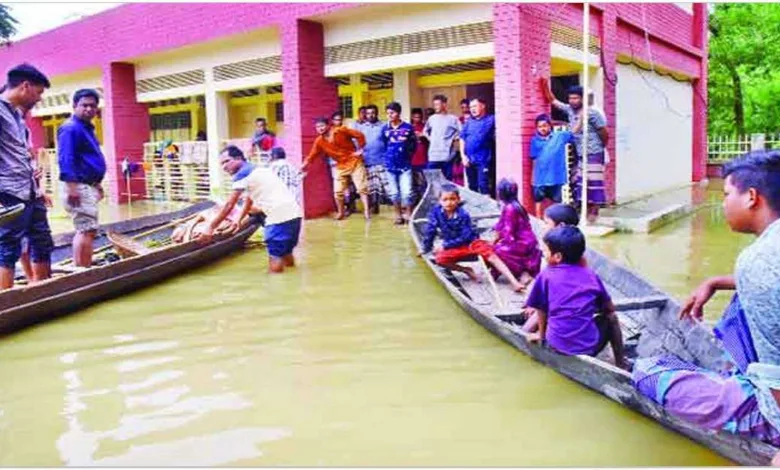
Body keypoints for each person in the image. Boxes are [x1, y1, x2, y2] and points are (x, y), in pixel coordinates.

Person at [632, 151, 780, 446]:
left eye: (726, 195)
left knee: (646, 371)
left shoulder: (758, 261)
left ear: (751, 197)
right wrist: (716, 281)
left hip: (771, 408)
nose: (722, 203)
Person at [523, 225, 626, 368]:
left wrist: (541, 337)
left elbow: (541, 310)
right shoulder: (591, 275)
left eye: (545, 250)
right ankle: (621, 363)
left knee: (544, 312)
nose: (542, 252)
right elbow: (609, 308)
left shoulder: (545, 276)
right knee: (612, 319)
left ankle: (529, 335)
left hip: (556, 346)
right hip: (589, 348)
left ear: (557, 256)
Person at [202, 145, 302, 273]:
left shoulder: (242, 174)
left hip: (277, 218)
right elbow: (250, 198)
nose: (224, 167)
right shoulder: (256, 169)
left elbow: (229, 205)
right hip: (294, 214)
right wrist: (239, 219)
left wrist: (211, 227)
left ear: (239, 158)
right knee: (287, 255)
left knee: (275, 265)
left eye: (227, 161)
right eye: (221, 164)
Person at [0, 64, 54, 290]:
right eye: (39, 92)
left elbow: (20, 154)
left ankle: (41, 292)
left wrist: (37, 184)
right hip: (9, 192)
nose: (39, 99)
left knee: (42, 242)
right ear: (25, 86)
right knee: (9, 247)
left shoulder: (18, 117)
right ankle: (6, 304)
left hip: (29, 190)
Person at [418, 183, 527, 292]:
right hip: (454, 245)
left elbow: (466, 236)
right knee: (439, 259)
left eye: (452, 199)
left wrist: (445, 245)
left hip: (471, 243)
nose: (449, 203)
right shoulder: (435, 212)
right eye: (445, 200)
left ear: (458, 200)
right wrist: (425, 248)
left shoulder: (463, 214)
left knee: (492, 256)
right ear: (439, 201)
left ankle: (514, 282)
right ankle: (466, 270)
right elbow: (430, 231)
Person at [541, 78, 608, 222]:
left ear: (583, 99)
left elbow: (603, 132)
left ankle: (594, 210)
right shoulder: (570, 110)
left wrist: (600, 147)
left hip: (594, 152)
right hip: (580, 152)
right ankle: (582, 208)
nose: (573, 101)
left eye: (576, 98)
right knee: (579, 180)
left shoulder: (592, 113)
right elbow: (553, 101)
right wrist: (544, 85)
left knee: (594, 181)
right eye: (571, 98)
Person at [58, 88, 106, 268]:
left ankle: (83, 266)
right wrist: (72, 188)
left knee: (89, 229)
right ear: (74, 106)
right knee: (86, 229)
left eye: (93, 106)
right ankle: (82, 271)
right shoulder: (71, 128)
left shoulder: (86, 128)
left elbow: (87, 159)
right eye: (84, 105)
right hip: (78, 185)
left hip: (88, 184)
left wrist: (98, 185)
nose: (89, 109)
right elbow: (66, 158)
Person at [302, 117, 370, 220]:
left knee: (361, 188)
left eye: (322, 126)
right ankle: (341, 213)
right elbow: (312, 155)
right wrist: (303, 165)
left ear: (328, 125)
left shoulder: (340, 130)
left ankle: (367, 212)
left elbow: (359, 135)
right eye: (317, 127)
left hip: (355, 162)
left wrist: (360, 149)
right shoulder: (319, 141)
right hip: (340, 165)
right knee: (338, 192)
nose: (320, 128)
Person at [491, 178, 542, 288]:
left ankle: (520, 272)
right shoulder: (515, 205)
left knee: (496, 251)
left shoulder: (510, 208)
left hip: (523, 243)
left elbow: (508, 232)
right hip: (528, 241)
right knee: (494, 247)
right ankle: (516, 272)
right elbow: (501, 223)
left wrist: (496, 242)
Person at [379, 101, 416, 225]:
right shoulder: (385, 129)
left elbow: (413, 145)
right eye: (388, 113)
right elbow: (384, 145)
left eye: (392, 113)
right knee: (394, 193)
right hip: (390, 166)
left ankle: (409, 215)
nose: (390, 115)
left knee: (407, 193)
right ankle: (398, 215)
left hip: (405, 166)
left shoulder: (408, 128)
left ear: (398, 113)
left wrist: (406, 156)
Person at [530, 114, 572, 217]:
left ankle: (557, 221)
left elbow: (573, 131)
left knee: (557, 201)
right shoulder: (535, 141)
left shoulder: (560, 136)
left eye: (545, 126)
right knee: (538, 200)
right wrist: (533, 177)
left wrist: (559, 122)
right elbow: (534, 159)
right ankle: (539, 221)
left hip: (556, 176)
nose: (542, 129)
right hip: (540, 177)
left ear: (550, 126)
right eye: (539, 127)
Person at [353, 104, 387, 215]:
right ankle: (373, 208)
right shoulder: (361, 128)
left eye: (372, 113)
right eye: (368, 113)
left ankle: (398, 211)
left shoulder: (384, 126)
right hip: (367, 161)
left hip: (382, 161)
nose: (370, 115)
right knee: (370, 188)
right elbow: (356, 142)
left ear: (376, 113)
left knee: (386, 187)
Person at [460, 98, 496, 195]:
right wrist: (463, 156)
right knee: (472, 186)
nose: (472, 109)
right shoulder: (469, 122)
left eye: (475, 106)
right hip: (469, 160)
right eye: (471, 107)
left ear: (483, 106)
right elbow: (462, 138)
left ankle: (487, 209)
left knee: (483, 185)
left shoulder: (491, 119)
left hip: (483, 160)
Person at [424, 94, 461, 181]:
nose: (435, 107)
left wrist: (454, 138)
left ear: (444, 104)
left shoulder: (453, 119)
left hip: (446, 156)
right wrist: (430, 138)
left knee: (447, 182)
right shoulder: (432, 118)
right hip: (433, 156)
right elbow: (425, 131)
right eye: (434, 105)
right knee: (433, 181)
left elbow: (461, 132)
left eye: (437, 104)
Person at [410, 107, 429, 204]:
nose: (417, 119)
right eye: (415, 117)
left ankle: (424, 201)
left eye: (419, 117)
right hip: (412, 159)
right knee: (413, 182)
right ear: (412, 117)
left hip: (424, 158)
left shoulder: (425, 126)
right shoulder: (409, 127)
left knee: (424, 182)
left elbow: (431, 140)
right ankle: (415, 202)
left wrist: (423, 136)